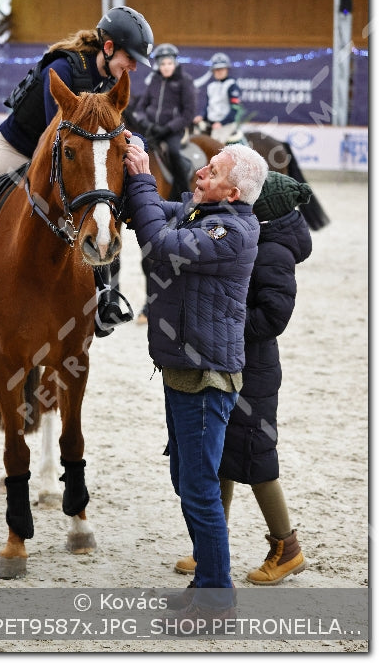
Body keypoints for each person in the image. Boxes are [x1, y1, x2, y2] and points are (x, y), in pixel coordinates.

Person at [0, 6, 154, 337]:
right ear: (108, 48)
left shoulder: (112, 78)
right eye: (130, 57)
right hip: (21, 148)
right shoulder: (64, 68)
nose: (133, 66)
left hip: (70, 157)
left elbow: (125, 125)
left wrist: (134, 141)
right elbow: (56, 134)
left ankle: (105, 295)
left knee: (102, 210)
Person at [124, 141, 268, 633]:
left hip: (206, 379)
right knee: (186, 482)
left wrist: (143, 175)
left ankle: (216, 602)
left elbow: (160, 244)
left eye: (213, 169)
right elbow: (153, 210)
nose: (201, 170)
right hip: (185, 371)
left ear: (233, 189)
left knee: (201, 489)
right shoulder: (200, 210)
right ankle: (207, 581)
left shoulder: (230, 230)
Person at [173, 171, 313, 587]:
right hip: (231, 359)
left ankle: (287, 547)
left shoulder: (273, 252)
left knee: (256, 456)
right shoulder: (259, 239)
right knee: (220, 453)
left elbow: (274, 316)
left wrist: (223, 319)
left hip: (254, 368)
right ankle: (212, 547)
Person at [134, 43, 197, 201]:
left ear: (175, 63)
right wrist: (146, 123)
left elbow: (188, 113)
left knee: (173, 153)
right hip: (152, 129)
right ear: (158, 65)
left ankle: (185, 195)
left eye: (169, 63)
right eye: (163, 64)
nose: (166, 67)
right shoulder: (154, 80)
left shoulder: (185, 81)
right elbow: (140, 107)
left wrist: (168, 128)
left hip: (173, 132)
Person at [193, 52, 242, 143]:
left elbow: (235, 109)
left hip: (225, 125)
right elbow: (208, 106)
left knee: (214, 144)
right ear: (213, 71)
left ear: (227, 69)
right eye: (216, 69)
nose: (219, 71)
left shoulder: (232, 85)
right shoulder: (211, 86)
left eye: (221, 69)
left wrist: (221, 123)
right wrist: (201, 116)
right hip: (210, 123)